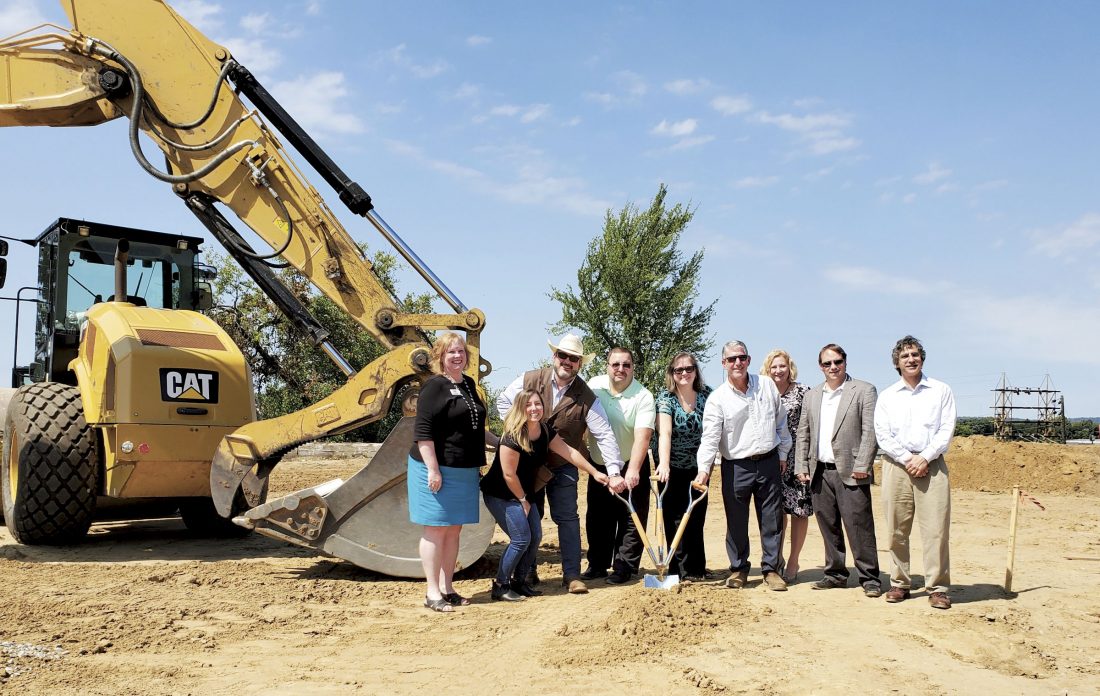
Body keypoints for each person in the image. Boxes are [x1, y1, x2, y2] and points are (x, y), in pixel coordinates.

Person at [497, 334, 623, 594]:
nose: (567, 361)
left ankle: (572, 575)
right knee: (531, 514)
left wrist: (613, 472)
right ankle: (527, 571)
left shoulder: (586, 397)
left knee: (567, 518)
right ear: (554, 356)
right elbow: (502, 402)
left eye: (574, 359)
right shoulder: (529, 379)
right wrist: (519, 427)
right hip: (528, 464)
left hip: (563, 464)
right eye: (563, 355)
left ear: (579, 364)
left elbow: (604, 434)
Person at [481, 389, 610, 601]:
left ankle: (519, 582)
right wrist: (522, 500)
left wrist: (595, 472)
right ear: (520, 408)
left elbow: (570, 452)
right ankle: (501, 585)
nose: (534, 408)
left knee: (535, 537)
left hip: (523, 493)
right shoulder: (512, 437)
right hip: (501, 494)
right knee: (521, 538)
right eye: (528, 405)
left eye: (537, 404)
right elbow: (508, 474)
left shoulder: (545, 431)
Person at [408, 332, 495, 613]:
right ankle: (432, 592)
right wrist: (433, 470)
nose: (457, 356)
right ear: (440, 357)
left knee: (453, 531)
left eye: (460, 351)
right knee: (435, 530)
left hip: (463, 470)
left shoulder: (468, 384)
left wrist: (504, 442)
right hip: (435, 468)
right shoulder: (434, 386)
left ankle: (448, 588)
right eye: (451, 352)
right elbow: (423, 433)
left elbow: (475, 429)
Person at [695, 340, 792, 592]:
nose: (737, 363)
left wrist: (782, 454)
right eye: (731, 359)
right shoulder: (718, 399)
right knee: (736, 520)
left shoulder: (767, 386)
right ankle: (739, 569)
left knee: (771, 519)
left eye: (742, 357)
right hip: (736, 466)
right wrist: (703, 470)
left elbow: (781, 422)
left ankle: (771, 570)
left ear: (748, 360)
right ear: (723, 363)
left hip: (769, 462)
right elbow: (710, 437)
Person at [873, 335, 957, 610]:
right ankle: (899, 583)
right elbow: (882, 434)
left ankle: (938, 588)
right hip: (897, 466)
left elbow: (946, 429)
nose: (911, 359)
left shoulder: (940, 390)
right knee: (896, 529)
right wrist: (908, 458)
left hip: (932, 466)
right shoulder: (887, 396)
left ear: (922, 358)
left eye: (915, 355)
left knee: (936, 530)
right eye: (905, 356)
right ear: (896, 362)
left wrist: (925, 457)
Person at [794, 344, 882, 597]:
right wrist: (802, 465)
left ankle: (869, 578)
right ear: (820, 366)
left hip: (853, 471)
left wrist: (863, 465)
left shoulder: (864, 390)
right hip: (820, 471)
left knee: (859, 526)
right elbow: (803, 433)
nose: (833, 368)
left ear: (845, 362)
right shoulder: (812, 396)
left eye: (837, 362)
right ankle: (835, 574)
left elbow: (870, 431)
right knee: (828, 525)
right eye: (827, 364)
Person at [583, 348, 656, 584]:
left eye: (626, 365)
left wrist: (633, 469)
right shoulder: (593, 386)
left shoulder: (643, 396)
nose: (620, 369)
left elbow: (643, 437)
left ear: (633, 367)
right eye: (616, 364)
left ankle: (624, 567)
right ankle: (597, 564)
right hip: (600, 464)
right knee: (598, 517)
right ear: (607, 366)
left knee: (631, 517)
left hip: (631, 462)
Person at [653, 352, 712, 581]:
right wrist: (664, 464)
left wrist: (705, 467)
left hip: (699, 467)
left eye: (689, 369)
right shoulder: (666, 398)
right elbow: (665, 432)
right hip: (670, 466)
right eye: (679, 370)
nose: (684, 373)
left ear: (696, 371)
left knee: (696, 516)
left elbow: (713, 431)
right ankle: (677, 569)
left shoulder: (708, 395)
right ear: (672, 374)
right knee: (674, 517)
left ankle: (697, 568)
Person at [760, 349, 811, 583]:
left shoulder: (803, 392)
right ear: (767, 370)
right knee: (775, 513)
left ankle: (793, 561)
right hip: (772, 459)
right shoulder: (763, 393)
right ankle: (775, 559)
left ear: (790, 368)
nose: (778, 371)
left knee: (799, 511)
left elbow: (809, 428)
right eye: (774, 367)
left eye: (782, 366)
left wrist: (804, 462)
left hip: (798, 459)